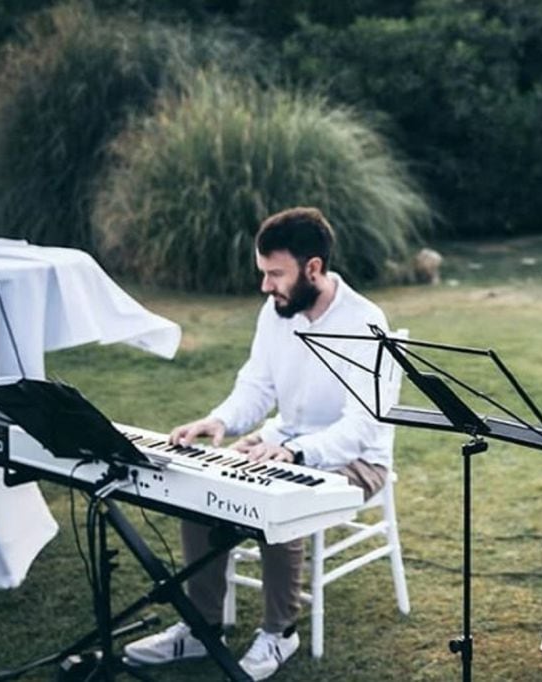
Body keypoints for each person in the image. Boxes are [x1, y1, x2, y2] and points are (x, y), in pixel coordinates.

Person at [123, 207, 393, 681]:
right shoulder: (276, 312)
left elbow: (363, 428)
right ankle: (202, 624)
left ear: (313, 269)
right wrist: (218, 420)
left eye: (275, 274)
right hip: (282, 439)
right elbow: (257, 387)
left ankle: (279, 632)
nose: (265, 286)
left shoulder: (366, 322)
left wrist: (296, 453)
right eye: (263, 273)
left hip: (356, 460)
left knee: (279, 499)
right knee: (198, 484)